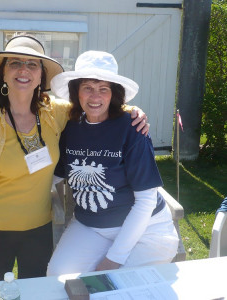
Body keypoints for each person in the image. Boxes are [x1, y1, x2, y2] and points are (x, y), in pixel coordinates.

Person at [0, 36, 149, 282]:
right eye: (15, 63)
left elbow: (95, 104)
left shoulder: (56, 113)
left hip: (38, 229)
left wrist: (133, 112)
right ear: (3, 74)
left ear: (41, 77)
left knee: (39, 291)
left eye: (32, 64)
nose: (24, 69)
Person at [47, 50, 179, 276]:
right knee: (57, 275)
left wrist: (114, 259)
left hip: (147, 231)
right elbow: (56, 175)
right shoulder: (70, 127)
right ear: (76, 92)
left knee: (112, 286)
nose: (95, 96)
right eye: (87, 87)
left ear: (113, 94)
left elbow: (146, 201)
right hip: (90, 227)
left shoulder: (133, 127)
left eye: (103, 89)